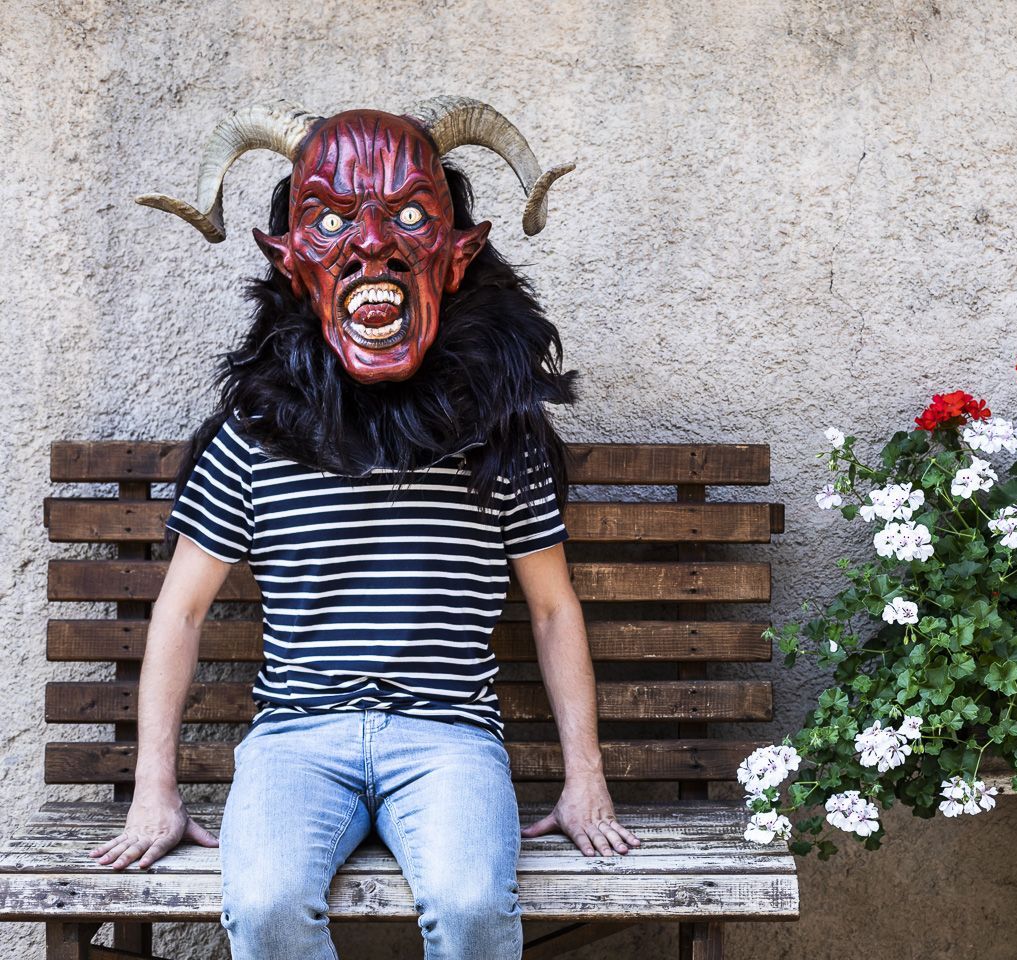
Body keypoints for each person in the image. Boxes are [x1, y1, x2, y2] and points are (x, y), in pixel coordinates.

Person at [85, 97, 639, 960]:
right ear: (290, 259)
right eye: (332, 218)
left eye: (411, 215)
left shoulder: (499, 429)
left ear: (458, 254)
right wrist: (154, 787)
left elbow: (555, 610)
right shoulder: (256, 433)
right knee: (265, 906)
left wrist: (587, 781)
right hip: (297, 738)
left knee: (470, 908)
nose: (372, 242)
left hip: (450, 736)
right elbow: (182, 613)